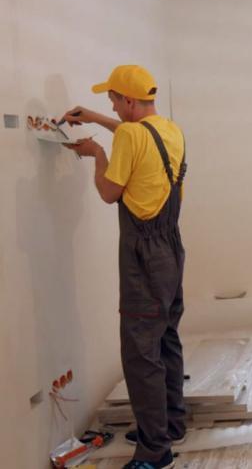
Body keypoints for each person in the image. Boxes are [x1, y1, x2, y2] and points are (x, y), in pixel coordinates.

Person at [62, 65, 187, 469]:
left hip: (143, 256)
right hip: (171, 248)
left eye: (114, 100)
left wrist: (97, 155)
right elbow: (136, 135)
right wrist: (97, 118)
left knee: (139, 353)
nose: (112, 106)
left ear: (129, 100)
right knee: (165, 338)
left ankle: (155, 450)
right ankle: (170, 425)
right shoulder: (169, 129)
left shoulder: (132, 136)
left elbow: (108, 192)